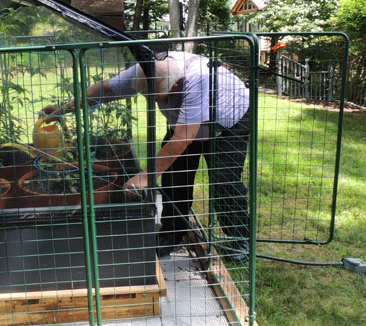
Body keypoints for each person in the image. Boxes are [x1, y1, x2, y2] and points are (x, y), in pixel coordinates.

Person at [43, 50, 251, 262]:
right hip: (187, 123)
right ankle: (172, 233)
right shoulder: (145, 71)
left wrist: (144, 176)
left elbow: (182, 138)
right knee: (173, 179)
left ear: (176, 87)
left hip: (229, 122)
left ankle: (241, 237)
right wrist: (62, 109)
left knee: (225, 182)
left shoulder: (197, 81)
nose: (152, 103)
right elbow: (104, 90)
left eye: (158, 98)